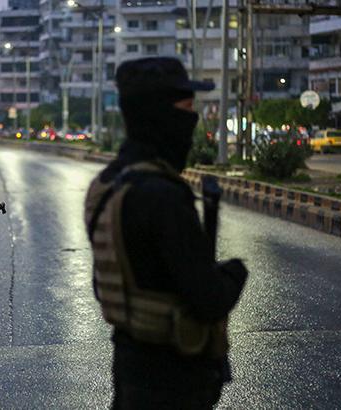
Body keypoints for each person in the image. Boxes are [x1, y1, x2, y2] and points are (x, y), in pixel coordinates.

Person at [84, 57, 249, 409]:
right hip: (174, 380)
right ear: (159, 115)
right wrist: (236, 272)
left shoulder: (107, 184)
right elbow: (208, 299)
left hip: (131, 365)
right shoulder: (161, 196)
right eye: (187, 109)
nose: (192, 121)